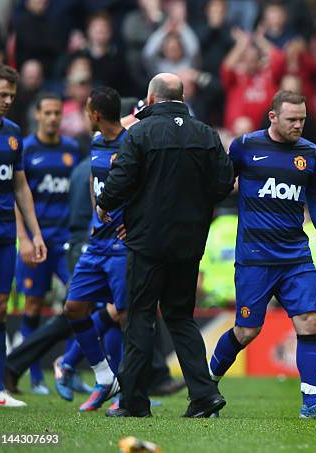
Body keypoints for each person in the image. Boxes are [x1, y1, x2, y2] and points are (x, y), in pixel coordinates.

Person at [96, 73, 234, 418]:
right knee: (180, 317)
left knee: (141, 318)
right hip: (188, 244)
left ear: (151, 98)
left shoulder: (140, 133)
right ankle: (204, 395)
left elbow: (121, 181)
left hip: (147, 242)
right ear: (182, 98)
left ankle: (133, 402)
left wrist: (105, 203)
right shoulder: (205, 134)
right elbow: (223, 185)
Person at [208, 90, 316, 419]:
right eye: (292, 119)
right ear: (273, 117)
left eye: (303, 119)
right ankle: (206, 387)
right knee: (247, 331)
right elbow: (219, 187)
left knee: (309, 322)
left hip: (295, 256)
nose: (299, 125)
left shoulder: (309, 153)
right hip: (255, 256)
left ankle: (311, 406)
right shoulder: (245, 147)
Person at [62, 86, 128, 412]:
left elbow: (147, 190)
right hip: (97, 243)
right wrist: (95, 214)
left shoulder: (132, 144)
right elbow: (93, 182)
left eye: (87, 111)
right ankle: (105, 376)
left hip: (123, 248)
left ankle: (131, 390)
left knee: (128, 317)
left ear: (96, 114)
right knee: (74, 307)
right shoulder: (97, 142)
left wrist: (135, 223)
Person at [15, 92, 81, 394]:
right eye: (49, 113)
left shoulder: (70, 149)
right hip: (37, 240)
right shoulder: (26, 149)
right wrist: (26, 238)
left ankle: (68, 368)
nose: (54, 118)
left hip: (65, 240)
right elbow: (17, 195)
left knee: (78, 301)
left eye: (58, 113)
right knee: (32, 305)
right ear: (38, 115)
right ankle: (35, 376)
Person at [0, 64, 47, 407]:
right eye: (2, 94)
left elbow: (20, 186)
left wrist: (34, 232)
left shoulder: (13, 134)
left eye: (12, 95)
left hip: (4, 234)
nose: (8, 100)